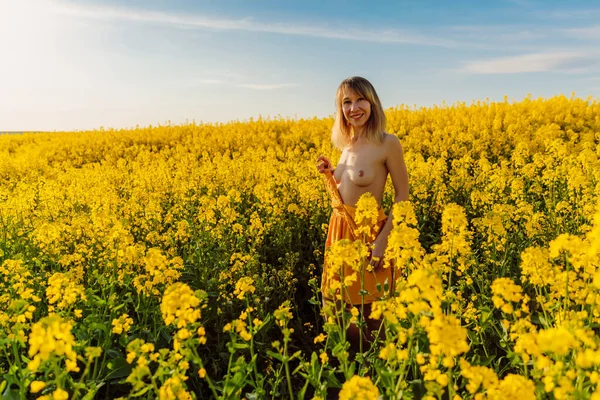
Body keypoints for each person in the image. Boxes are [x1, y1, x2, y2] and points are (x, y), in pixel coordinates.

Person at [316, 76, 409, 351]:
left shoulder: (387, 143)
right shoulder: (346, 145)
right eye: (346, 102)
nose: (353, 108)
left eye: (360, 100)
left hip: (369, 238)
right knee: (337, 315)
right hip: (339, 236)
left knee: (370, 323)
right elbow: (345, 199)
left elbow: (402, 194)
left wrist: (382, 243)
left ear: (372, 103)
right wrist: (331, 176)